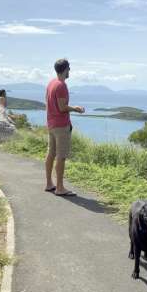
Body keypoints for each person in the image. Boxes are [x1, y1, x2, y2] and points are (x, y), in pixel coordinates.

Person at [45, 59, 85, 197]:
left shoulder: (51, 83)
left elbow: (51, 105)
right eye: (69, 68)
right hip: (61, 126)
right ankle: (60, 188)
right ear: (65, 69)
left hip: (51, 124)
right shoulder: (61, 85)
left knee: (51, 153)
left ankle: (49, 183)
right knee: (61, 157)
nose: (70, 71)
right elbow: (62, 108)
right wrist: (76, 109)